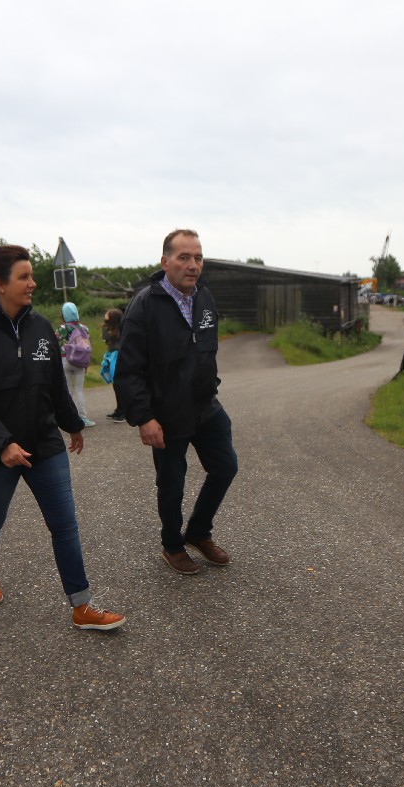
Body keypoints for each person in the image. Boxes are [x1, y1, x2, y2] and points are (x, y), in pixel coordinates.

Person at [0, 244, 124, 630]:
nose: (32, 283)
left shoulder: (41, 327)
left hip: (43, 442)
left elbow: (55, 384)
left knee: (65, 524)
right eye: (24, 277)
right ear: (0, 284)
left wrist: (72, 422)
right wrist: (2, 444)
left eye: (32, 276)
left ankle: (82, 605)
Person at [115, 229, 239, 575]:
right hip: (167, 413)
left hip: (205, 406)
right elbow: (128, 370)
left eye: (198, 257)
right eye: (184, 257)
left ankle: (198, 532)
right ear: (165, 262)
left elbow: (206, 350)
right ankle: (172, 545)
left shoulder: (205, 298)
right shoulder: (144, 305)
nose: (193, 265)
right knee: (172, 484)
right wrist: (144, 417)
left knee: (225, 467)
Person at [56, 302, 95, 427]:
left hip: (65, 360)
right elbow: (87, 346)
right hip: (80, 361)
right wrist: (87, 363)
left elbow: (55, 345)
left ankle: (69, 418)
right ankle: (83, 418)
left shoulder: (61, 329)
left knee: (68, 391)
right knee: (79, 390)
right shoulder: (84, 328)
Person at [101, 307, 125, 422]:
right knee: (116, 385)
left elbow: (105, 337)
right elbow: (104, 337)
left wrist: (106, 323)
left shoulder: (120, 330)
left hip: (117, 357)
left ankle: (123, 411)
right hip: (112, 357)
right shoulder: (111, 329)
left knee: (119, 384)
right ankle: (119, 408)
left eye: (107, 315)